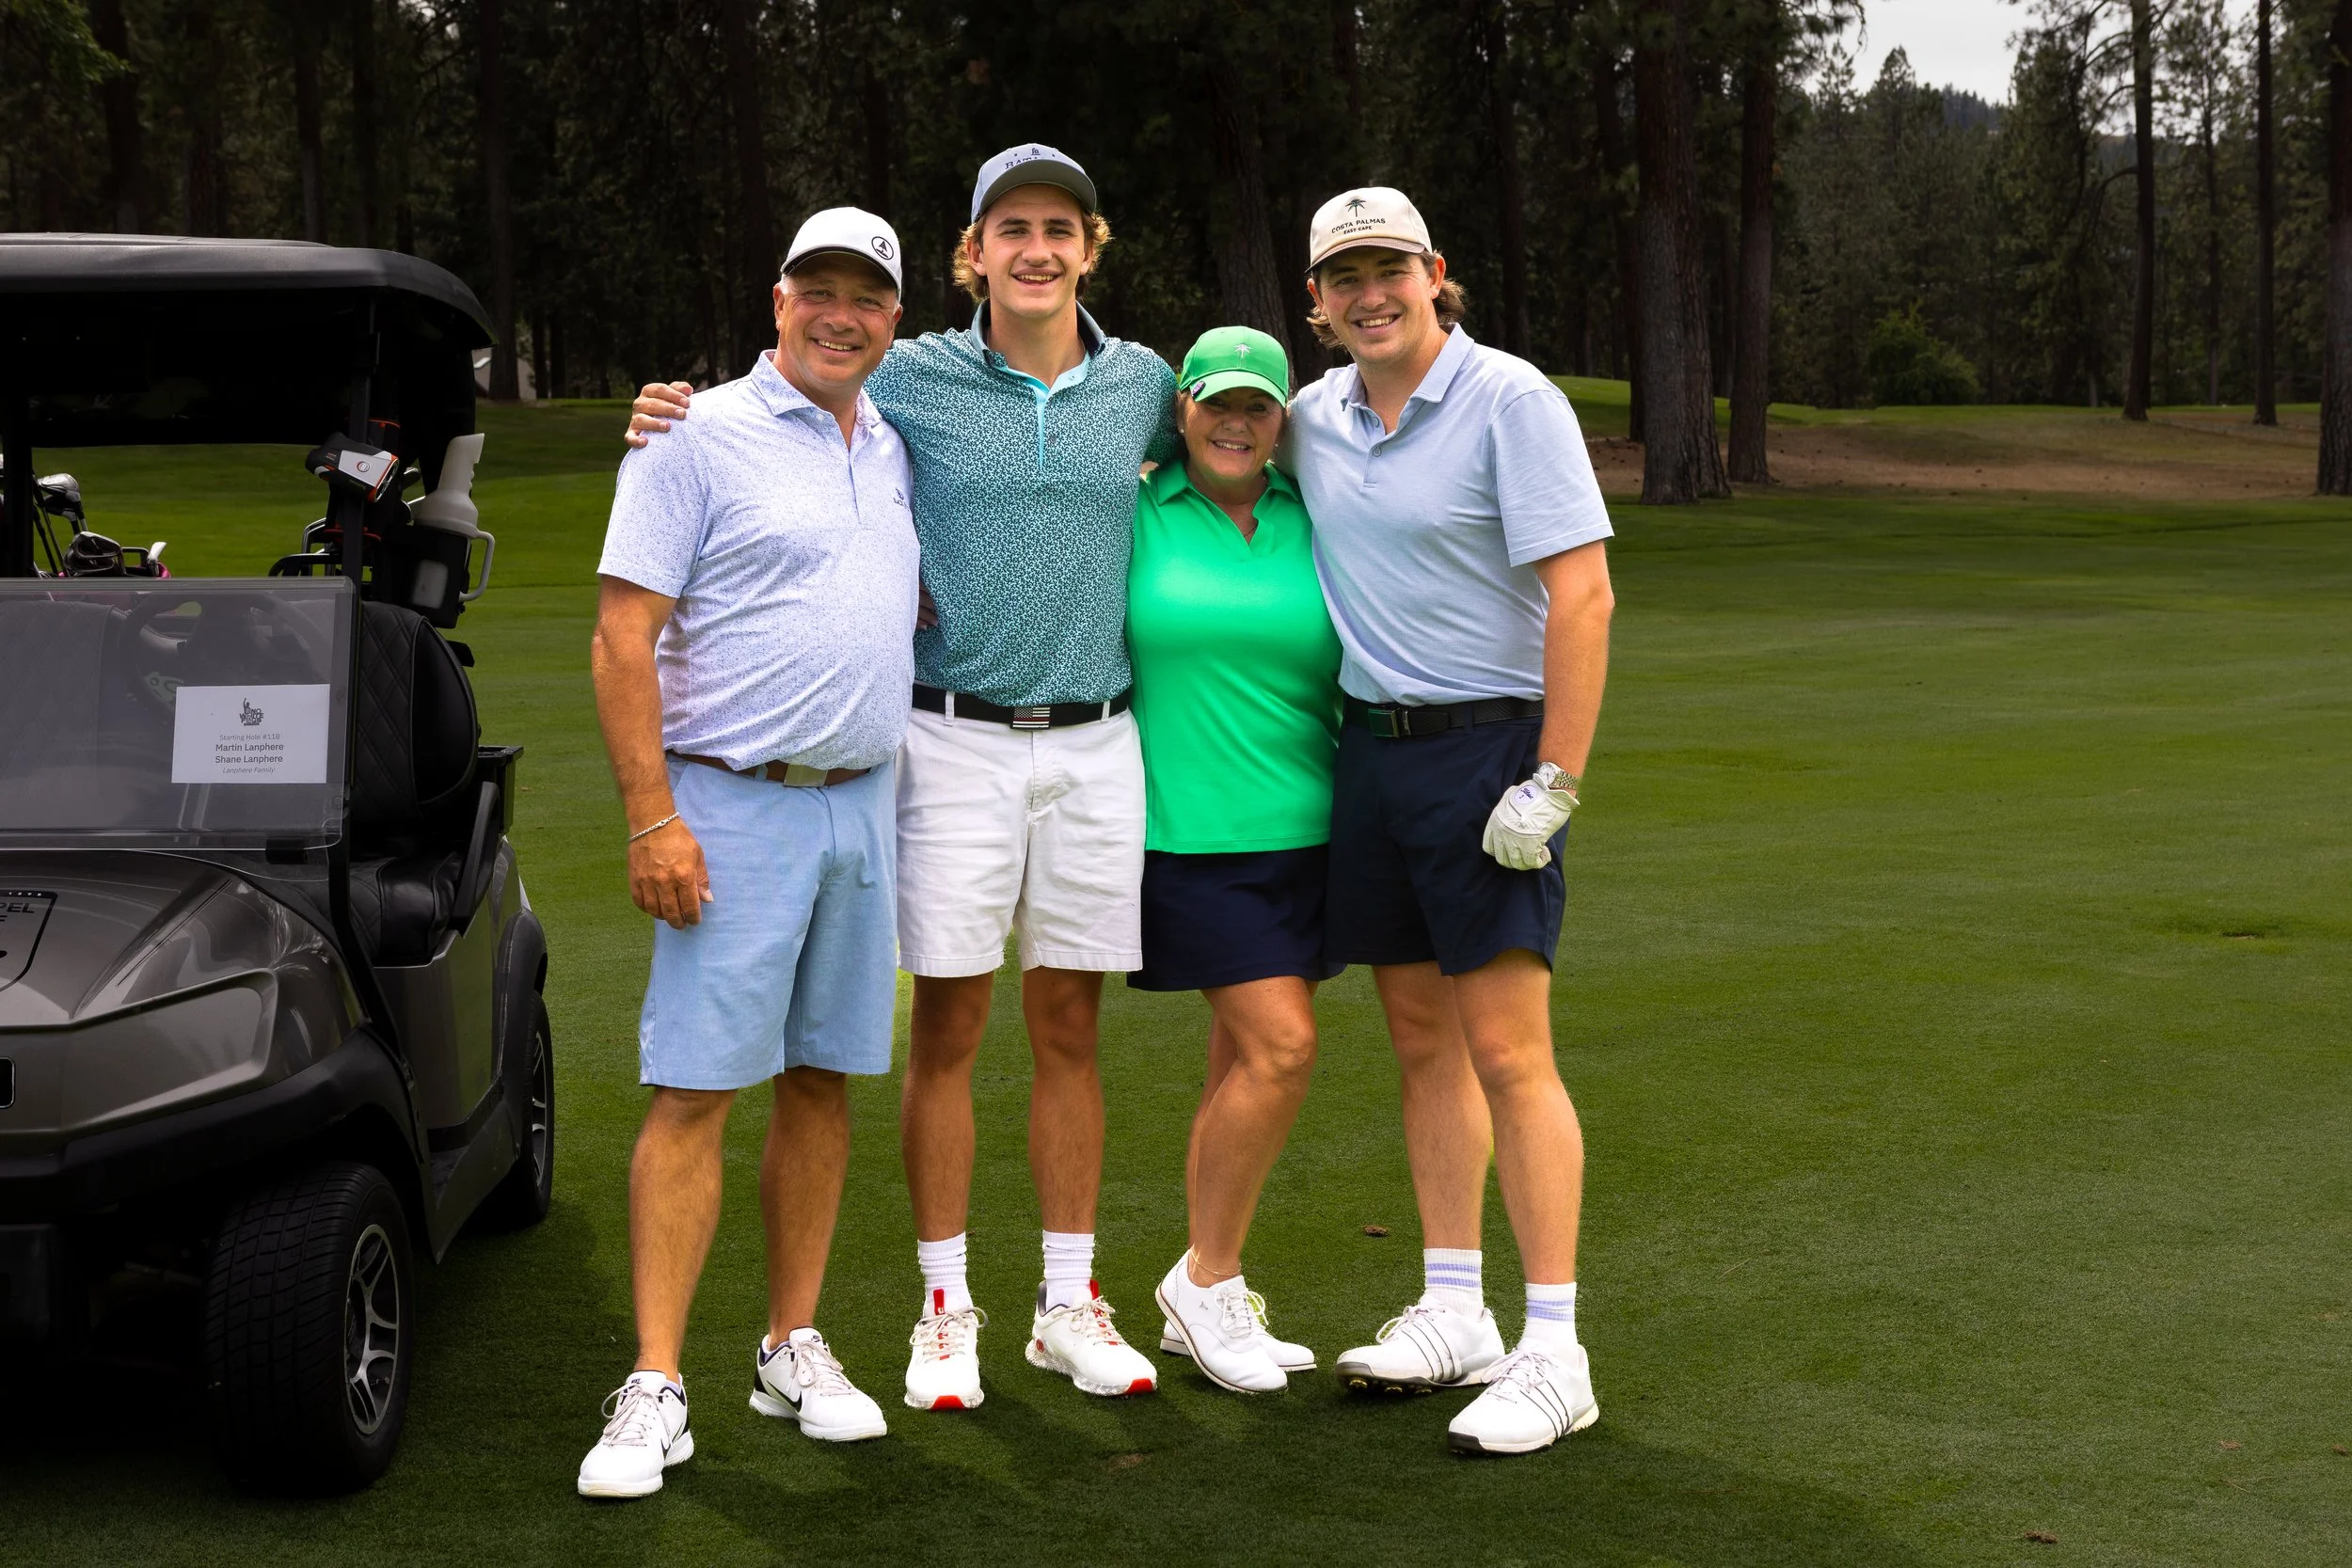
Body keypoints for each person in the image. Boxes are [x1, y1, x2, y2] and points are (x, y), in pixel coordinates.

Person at [628, 145, 1178, 1412]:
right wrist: (673, 409)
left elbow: (1243, 431)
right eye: (1009, 227)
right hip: (949, 739)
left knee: (1071, 1027)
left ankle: (1068, 1300)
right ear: (969, 253)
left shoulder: (1143, 382)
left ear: (1091, 248)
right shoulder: (914, 373)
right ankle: (945, 1308)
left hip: (1099, 738)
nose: (1034, 248)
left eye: (1058, 226)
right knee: (947, 1025)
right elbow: (782, 398)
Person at [577, 207, 916, 1498]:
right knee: (699, 1088)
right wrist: (652, 814)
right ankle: (658, 1379)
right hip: (729, 805)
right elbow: (623, 636)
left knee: (824, 1078)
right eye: (818, 290)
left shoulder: (890, 439)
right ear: (778, 300)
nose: (843, 314)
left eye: (867, 296)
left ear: (894, 315)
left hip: (860, 805)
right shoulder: (694, 435)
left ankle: (790, 1339)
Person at [1291, 188, 1616, 1455]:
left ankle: (1554, 1345)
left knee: (1508, 1048)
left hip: (1490, 749)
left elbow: (1582, 595)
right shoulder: (1314, 418)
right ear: (1316, 302)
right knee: (1420, 1036)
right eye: (1342, 278)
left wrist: (1556, 778)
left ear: (1436, 272)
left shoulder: (1510, 399)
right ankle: (1451, 1304)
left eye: (1389, 270)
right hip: (1370, 754)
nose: (1369, 295)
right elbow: (1184, 428)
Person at [1124, 326, 1340, 1394]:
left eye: (1258, 405)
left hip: (1310, 831)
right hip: (1186, 835)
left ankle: (1206, 1283)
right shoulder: (1132, 510)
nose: (1236, 421)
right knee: (1282, 1051)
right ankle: (1204, 1280)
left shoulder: (1317, 517)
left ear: (1282, 419)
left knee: (1236, 1059)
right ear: (1182, 408)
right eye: (1217, 402)